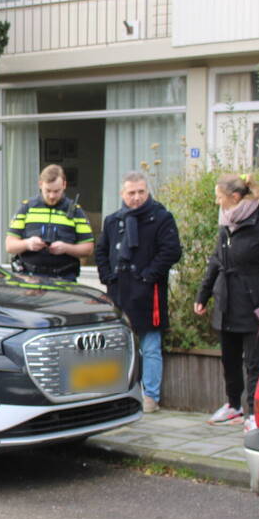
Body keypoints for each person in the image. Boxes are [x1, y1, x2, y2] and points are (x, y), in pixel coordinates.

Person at [194, 173, 259, 430]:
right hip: (227, 304)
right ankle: (233, 405)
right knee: (229, 360)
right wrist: (203, 295)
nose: (216, 202)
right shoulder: (226, 225)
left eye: (219, 197)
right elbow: (215, 262)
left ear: (234, 197)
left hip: (256, 306)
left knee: (254, 363)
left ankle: (254, 414)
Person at [96, 172, 182, 413]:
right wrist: (107, 277)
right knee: (117, 345)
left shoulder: (162, 217)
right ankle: (118, 393)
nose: (136, 197)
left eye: (141, 192)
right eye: (131, 193)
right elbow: (101, 251)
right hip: (119, 291)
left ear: (147, 192)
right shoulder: (113, 220)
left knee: (150, 345)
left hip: (148, 291)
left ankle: (150, 397)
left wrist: (148, 275)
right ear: (123, 194)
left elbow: (171, 251)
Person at [6, 164, 94, 281]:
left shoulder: (76, 211)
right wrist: (27, 244)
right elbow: (9, 245)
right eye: (48, 191)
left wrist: (66, 248)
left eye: (56, 191)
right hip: (30, 279)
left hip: (64, 279)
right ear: (40, 184)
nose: (52, 196)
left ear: (64, 185)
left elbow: (88, 248)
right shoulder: (27, 208)